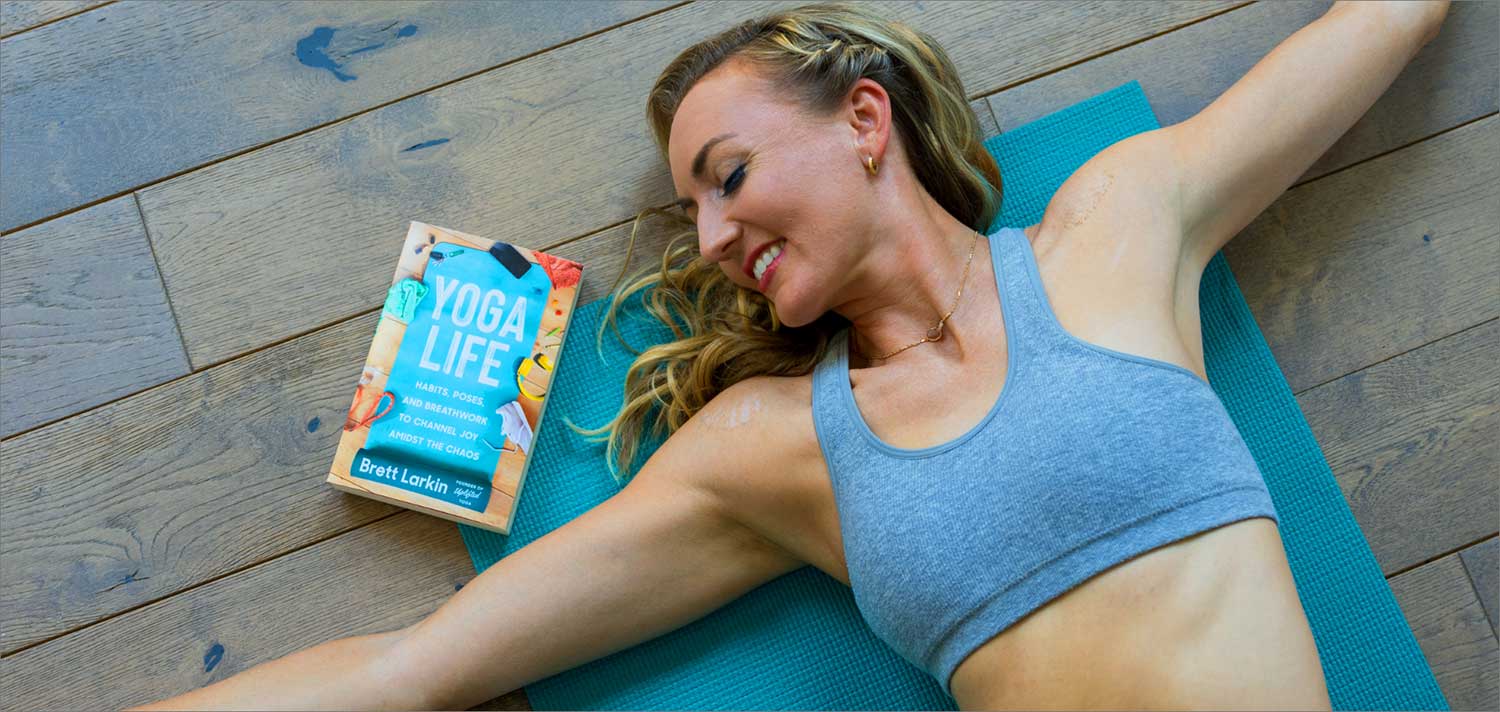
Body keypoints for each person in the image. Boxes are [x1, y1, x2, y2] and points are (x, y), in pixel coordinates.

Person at [129, 1, 1449, 709]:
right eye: (694, 210)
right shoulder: (775, 449)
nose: (710, 236)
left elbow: (1388, 18)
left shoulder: (1114, 226)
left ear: (865, 120)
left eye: (729, 175)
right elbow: (411, 672)